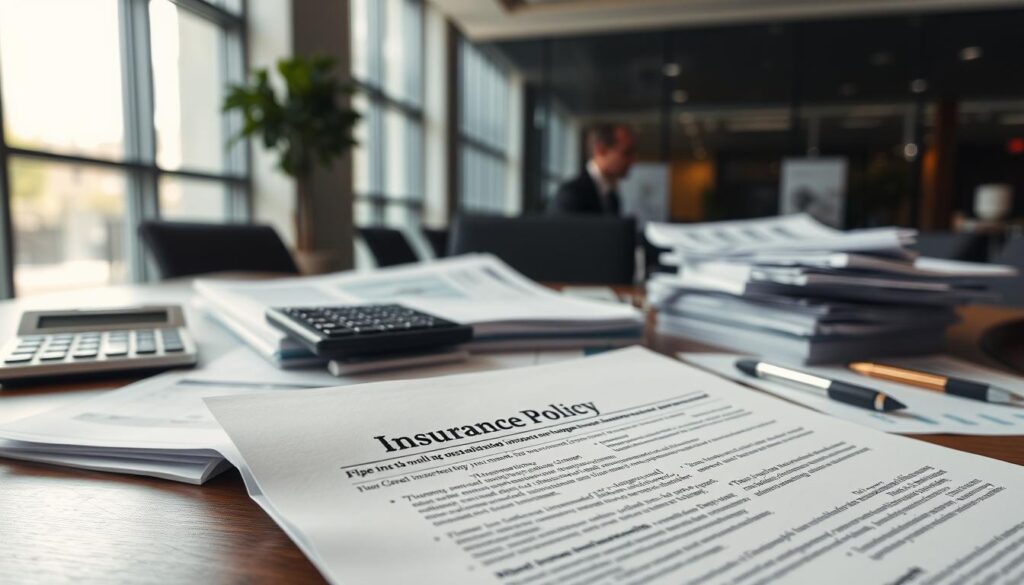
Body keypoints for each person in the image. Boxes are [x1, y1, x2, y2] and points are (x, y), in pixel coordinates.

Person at [550, 124, 636, 216]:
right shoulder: (571, 195)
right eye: (627, 153)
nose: (632, 160)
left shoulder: (612, 197)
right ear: (601, 150)